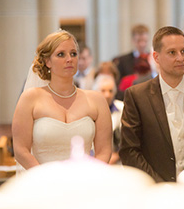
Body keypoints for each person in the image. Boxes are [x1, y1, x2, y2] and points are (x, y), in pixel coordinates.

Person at [119, 26, 184, 182]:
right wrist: (158, 185)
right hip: (154, 193)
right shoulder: (137, 96)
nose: (180, 58)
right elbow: (129, 151)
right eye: (172, 52)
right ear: (156, 57)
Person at [12, 30, 112, 171]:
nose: (69, 59)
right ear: (48, 61)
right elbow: (21, 150)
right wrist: (45, 178)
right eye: (61, 54)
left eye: (73, 54)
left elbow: (104, 151)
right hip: (42, 181)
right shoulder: (30, 99)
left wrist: (89, 177)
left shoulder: (96, 100)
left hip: (84, 181)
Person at [92, 74, 124, 165]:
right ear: (95, 91)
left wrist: (116, 155)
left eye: (110, 91)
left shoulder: (122, 108)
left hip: (118, 161)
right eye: (103, 91)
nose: (107, 95)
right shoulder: (88, 111)